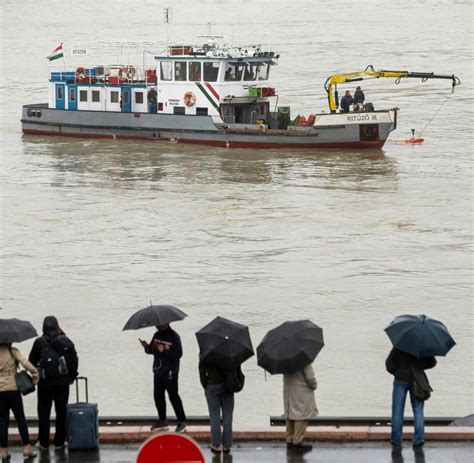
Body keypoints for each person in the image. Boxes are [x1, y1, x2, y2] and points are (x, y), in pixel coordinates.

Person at [29, 316, 78, 450]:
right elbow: (74, 360)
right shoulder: (66, 341)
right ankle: (60, 442)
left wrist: (38, 375)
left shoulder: (39, 342)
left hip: (44, 384)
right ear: (57, 326)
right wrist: (71, 377)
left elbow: (31, 362)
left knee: (44, 414)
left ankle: (44, 442)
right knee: (61, 412)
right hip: (62, 384)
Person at [139, 324, 186, 432]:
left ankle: (181, 422)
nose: (157, 326)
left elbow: (179, 354)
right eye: (156, 325)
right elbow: (152, 350)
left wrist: (164, 351)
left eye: (159, 324)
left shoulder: (174, 337)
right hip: (158, 372)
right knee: (158, 397)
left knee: (174, 397)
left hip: (170, 373)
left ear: (166, 323)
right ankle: (162, 421)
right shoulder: (156, 335)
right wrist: (146, 347)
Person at [386, 348, 436, 448]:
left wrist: (397, 372)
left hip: (400, 380)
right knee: (418, 410)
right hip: (417, 381)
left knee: (397, 410)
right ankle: (418, 439)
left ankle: (396, 440)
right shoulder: (423, 346)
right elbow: (432, 362)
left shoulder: (400, 345)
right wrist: (418, 367)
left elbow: (389, 365)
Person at [0, 343, 39, 459]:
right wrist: (35, 374)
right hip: (13, 390)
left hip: (0, 391)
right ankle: (27, 447)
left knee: (2, 421)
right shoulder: (12, 351)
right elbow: (25, 363)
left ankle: (4, 450)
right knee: (20, 419)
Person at [199, 358, 238, 454]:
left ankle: (216, 445)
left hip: (212, 384)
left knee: (214, 417)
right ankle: (227, 446)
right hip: (228, 386)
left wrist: (205, 384)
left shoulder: (207, 348)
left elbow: (201, 368)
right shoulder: (231, 349)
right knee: (228, 417)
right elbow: (237, 367)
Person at [284, 363, 318, 452]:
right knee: (300, 416)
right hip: (301, 391)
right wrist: (314, 385)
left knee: (290, 415)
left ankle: (290, 440)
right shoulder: (304, 360)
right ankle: (297, 442)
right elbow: (310, 378)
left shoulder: (284, 360)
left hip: (288, 390)